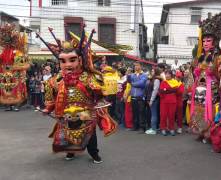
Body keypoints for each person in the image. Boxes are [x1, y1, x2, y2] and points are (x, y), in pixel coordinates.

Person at [38, 27, 117, 164]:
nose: (67, 65)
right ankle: (70, 152)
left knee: (90, 135)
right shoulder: (56, 80)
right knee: (67, 133)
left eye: (72, 60)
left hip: (86, 113)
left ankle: (94, 154)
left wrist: (102, 92)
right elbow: (52, 99)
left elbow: (100, 94)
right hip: (65, 113)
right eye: (63, 61)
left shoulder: (88, 77)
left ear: (80, 60)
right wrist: (48, 109)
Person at [189, 13, 221, 143]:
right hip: (199, 91)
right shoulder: (198, 59)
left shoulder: (220, 59)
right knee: (198, 110)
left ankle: (209, 133)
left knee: (210, 112)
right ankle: (201, 132)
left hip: (212, 92)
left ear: (215, 41)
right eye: (204, 41)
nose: (205, 43)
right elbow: (193, 74)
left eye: (208, 40)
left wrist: (215, 73)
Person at [128, 62, 148, 132]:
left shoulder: (144, 75)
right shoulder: (132, 75)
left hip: (141, 96)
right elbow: (128, 81)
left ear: (141, 66)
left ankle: (142, 127)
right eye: (135, 66)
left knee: (141, 113)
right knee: (134, 112)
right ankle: (135, 126)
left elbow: (142, 83)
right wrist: (128, 74)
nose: (135, 67)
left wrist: (133, 84)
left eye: (137, 65)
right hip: (133, 96)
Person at [159, 70, 180, 136]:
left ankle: (171, 129)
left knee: (172, 115)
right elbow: (161, 91)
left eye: (168, 74)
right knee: (163, 115)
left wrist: (166, 90)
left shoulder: (175, 82)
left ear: (171, 75)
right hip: (164, 102)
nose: (167, 75)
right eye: (166, 74)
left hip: (173, 101)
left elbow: (177, 91)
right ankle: (163, 128)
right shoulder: (163, 82)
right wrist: (171, 90)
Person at [145, 68, 161, 135]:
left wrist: (151, 100)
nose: (151, 72)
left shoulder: (157, 80)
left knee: (153, 114)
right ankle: (153, 128)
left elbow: (155, 91)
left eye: (152, 71)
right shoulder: (152, 79)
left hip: (154, 99)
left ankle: (154, 129)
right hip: (150, 98)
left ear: (156, 72)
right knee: (153, 114)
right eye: (151, 71)